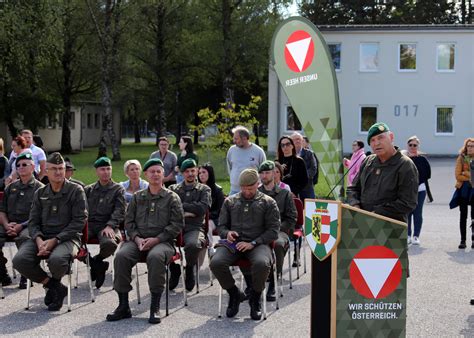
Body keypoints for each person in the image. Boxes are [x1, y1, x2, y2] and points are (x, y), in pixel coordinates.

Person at [107, 158, 184, 324]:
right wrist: (136, 238)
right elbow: (129, 222)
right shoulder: (137, 197)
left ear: (163, 174)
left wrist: (157, 239)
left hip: (163, 242)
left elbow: (177, 225)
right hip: (137, 241)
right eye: (152, 172)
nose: (155, 174)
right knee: (121, 256)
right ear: (146, 174)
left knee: (155, 257)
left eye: (158, 171)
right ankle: (123, 305)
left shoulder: (172, 198)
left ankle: (154, 306)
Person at [12, 152, 88, 311]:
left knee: (57, 259)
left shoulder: (76, 190)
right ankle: (54, 286)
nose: (59, 172)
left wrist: (55, 240)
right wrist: (39, 240)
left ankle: (53, 288)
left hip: (68, 238)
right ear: (45, 171)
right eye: (54, 169)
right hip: (42, 238)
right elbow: (33, 222)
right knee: (19, 260)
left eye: (61, 168)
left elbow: (79, 222)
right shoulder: (40, 193)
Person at [210, 168, 280, 320]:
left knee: (262, 263)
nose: (246, 192)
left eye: (250, 188)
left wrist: (254, 243)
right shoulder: (230, 201)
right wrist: (227, 233)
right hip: (233, 244)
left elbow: (273, 231)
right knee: (216, 262)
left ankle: (255, 298)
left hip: (258, 243)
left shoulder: (268, 203)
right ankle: (234, 294)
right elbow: (221, 226)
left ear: (258, 184)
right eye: (243, 188)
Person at [346, 122, 418, 223]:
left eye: (381, 138)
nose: (377, 143)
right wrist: (355, 205)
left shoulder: (405, 165)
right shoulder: (367, 162)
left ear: (391, 137)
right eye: (372, 140)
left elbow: (408, 203)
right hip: (362, 226)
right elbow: (353, 188)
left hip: (389, 229)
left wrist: (377, 213)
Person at [0, 153, 44, 288]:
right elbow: (2, 211)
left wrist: (20, 226)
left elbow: (40, 215)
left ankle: (26, 274)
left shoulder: (40, 188)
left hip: (29, 225)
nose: (20, 167)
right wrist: (7, 224)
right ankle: (2, 273)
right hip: (9, 224)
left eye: (24, 165)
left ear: (33, 167)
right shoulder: (10, 188)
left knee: (25, 239)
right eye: (18, 165)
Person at [169, 159, 211, 292]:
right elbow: (169, 207)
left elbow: (202, 208)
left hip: (194, 227)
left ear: (197, 170)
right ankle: (173, 268)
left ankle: (190, 269)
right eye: (187, 171)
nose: (191, 174)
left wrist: (181, 206)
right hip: (174, 226)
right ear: (182, 173)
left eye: (193, 170)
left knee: (193, 244)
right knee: (160, 242)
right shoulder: (173, 189)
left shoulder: (204, 189)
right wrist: (188, 211)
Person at [257, 160, 296, 301]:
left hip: (279, 231)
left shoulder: (285, 194)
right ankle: (253, 284)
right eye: (262, 173)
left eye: (267, 172)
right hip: (259, 231)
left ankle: (274, 280)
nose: (264, 176)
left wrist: (277, 228)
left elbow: (292, 218)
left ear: (274, 174)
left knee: (278, 244)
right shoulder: (256, 193)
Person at [84, 157, 126, 288]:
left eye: (108, 169)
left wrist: (110, 226)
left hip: (108, 225)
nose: (106, 172)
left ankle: (97, 259)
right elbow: (81, 210)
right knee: (72, 241)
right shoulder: (88, 190)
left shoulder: (118, 189)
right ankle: (97, 265)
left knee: (110, 243)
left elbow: (120, 210)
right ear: (97, 171)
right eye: (102, 169)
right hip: (90, 224)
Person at [405, 136, 431, 246]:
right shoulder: (403, 159)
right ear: (407, 146)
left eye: (414, 145)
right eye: (410, 145)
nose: (412, 147)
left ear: (418, 146)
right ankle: (407, 235)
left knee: (417, 212)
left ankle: (416, 236)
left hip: (420, 189)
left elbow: (427, 174)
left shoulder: (422, 159)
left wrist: (416, 182)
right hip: (406, 190)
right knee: (407, 212)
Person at [226, 125, 266, 195]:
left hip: (252, 192)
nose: (234, 141)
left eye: (236, 139)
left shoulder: (258, 151)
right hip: (234, 191)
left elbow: (263, 170)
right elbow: (230, 167)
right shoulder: (231, 150)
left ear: (244, 138)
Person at [198, 163, 225, 256]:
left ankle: (211, 247)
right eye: (200, 172)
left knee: (207, 225)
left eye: (204, 172)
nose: (201, 175)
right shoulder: (196, 189)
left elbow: (220, 210)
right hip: (198, 218)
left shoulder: (218, 190)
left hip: (214, 219)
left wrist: (207, 216)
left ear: (210, 173)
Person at [454, 138, 474, 249]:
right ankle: (463, 240)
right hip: (463, 189)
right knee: (463, 215)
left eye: (472, 146)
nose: (470, 148)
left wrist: (465, 173)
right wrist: (470, 176)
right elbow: (457, 176)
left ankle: (473, 239)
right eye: (468, 146)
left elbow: (462, 174)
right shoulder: (461, 158)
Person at [291, 132, 316, 200]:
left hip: (307, 188)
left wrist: (302, 176)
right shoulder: (288, 154)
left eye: (299, 139)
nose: (297, 141)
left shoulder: (309, 154)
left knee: (309, 209)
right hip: (293, 189)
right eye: (295, 139)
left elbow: (313, 169)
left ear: (302, 141)